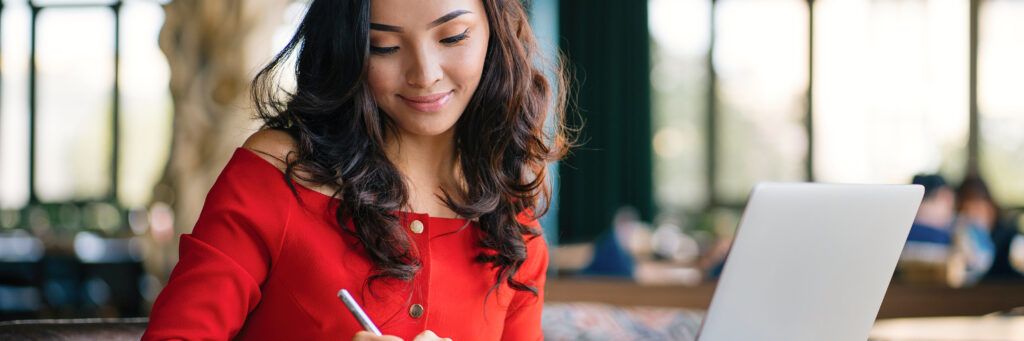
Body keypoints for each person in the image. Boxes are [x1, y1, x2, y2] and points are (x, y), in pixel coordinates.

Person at [143, 0, 571, 340]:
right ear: (347, 49)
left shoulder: (512, 221)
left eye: (453, 37)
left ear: (495, 32)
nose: (424, 74)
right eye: (383, 46)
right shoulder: (279, 173)